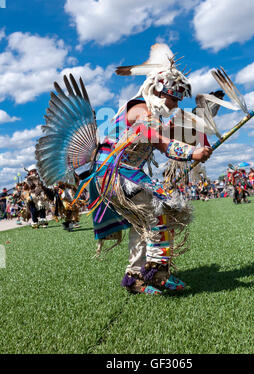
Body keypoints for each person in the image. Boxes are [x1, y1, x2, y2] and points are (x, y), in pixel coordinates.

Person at [36, 43, 214, 295]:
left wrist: (198, 127)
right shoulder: (141, 110)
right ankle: (154, 275)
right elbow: (162, 143)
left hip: (120, 174)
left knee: (146, 221)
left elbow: (170, 133)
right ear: (158, 90)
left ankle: (141, 276)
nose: (175, 105)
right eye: (174, 98)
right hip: (118, 174)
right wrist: (194, 153)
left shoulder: (150, 114)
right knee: (159, 211)